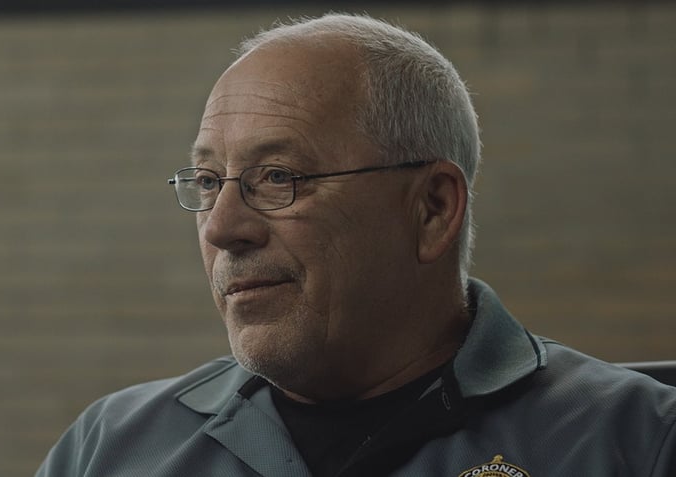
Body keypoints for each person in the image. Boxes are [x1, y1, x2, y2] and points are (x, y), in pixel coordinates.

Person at [36, 13, 676, 477]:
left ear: (432, 209)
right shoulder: (110, 447)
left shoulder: (634, 442)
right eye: (207, 183)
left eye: (279, 177)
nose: (221, 227)